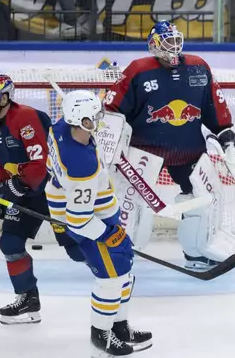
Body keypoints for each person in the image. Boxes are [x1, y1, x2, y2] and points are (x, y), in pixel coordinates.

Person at [103, 20, 235, 270]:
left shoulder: (198, 68)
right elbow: (111, 109)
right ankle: (121, 256)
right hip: (145, 150)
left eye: (175, 40)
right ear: (154, 45)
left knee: (202, 200)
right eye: (166, 41)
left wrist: (226, 136)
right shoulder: (138, 70)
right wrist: (110, 140)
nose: (172, 47)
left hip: (188, 149)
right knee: (134, 206)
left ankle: (195, 253)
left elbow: (214, 107)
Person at [45, 89, 153, 356]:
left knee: (125, 271)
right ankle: (101, 337)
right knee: (110, 279)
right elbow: (79, 222)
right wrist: (108, 234)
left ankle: (119, 327)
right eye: (95, 116)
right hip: (94, 223)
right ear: (81, 121)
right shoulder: (81, 165)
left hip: (97, 212)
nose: (100, 118)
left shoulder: (59, 128)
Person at [0, 74, 84, 325]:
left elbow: (42, 164)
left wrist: (14, 187)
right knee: (10, 243)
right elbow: (4, 166)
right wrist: (1, 191)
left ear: (4, 97)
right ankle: (28, 299)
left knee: (74, 248)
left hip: (53, 191)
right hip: (27, 194)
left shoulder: (25, 117)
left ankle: (113, 273)